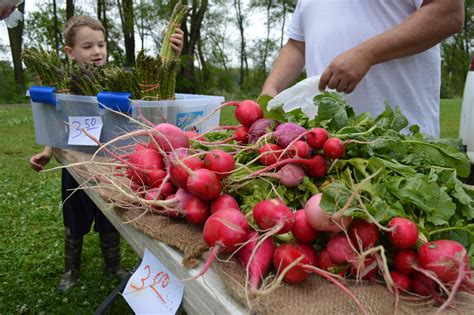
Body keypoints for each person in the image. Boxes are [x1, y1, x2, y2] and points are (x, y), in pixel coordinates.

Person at [29, 15, 184, 293]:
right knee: (74, 219)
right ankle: (70, 268)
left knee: (109, 216)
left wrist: (173, 55)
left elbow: (154, 89)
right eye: (87, 46)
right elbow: (57, 127)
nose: (97, 51)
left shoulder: (118, 80)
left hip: (111, 165)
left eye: (101, 45)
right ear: (70, 52)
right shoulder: (66, 87)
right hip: (76, 166)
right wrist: (46, 151)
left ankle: (112, 264)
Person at [260, 0, 464, 137]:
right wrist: (271, 87)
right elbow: (297, 45)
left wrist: (367, 53)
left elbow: (447, 12)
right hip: (327, 143)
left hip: (400, 142)